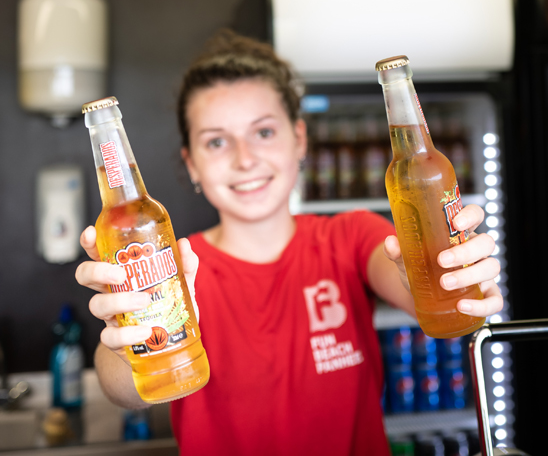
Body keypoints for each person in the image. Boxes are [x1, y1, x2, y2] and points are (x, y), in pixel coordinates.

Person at [76, 29, 503, 455]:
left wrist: (451, 275)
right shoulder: (171, 269)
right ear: (191, 164)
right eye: (217, 141)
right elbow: (122, 390)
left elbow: (409, 280)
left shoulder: (350, 235)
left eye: (263, 133)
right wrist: (124, 335)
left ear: (299, 139)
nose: (245, 159)